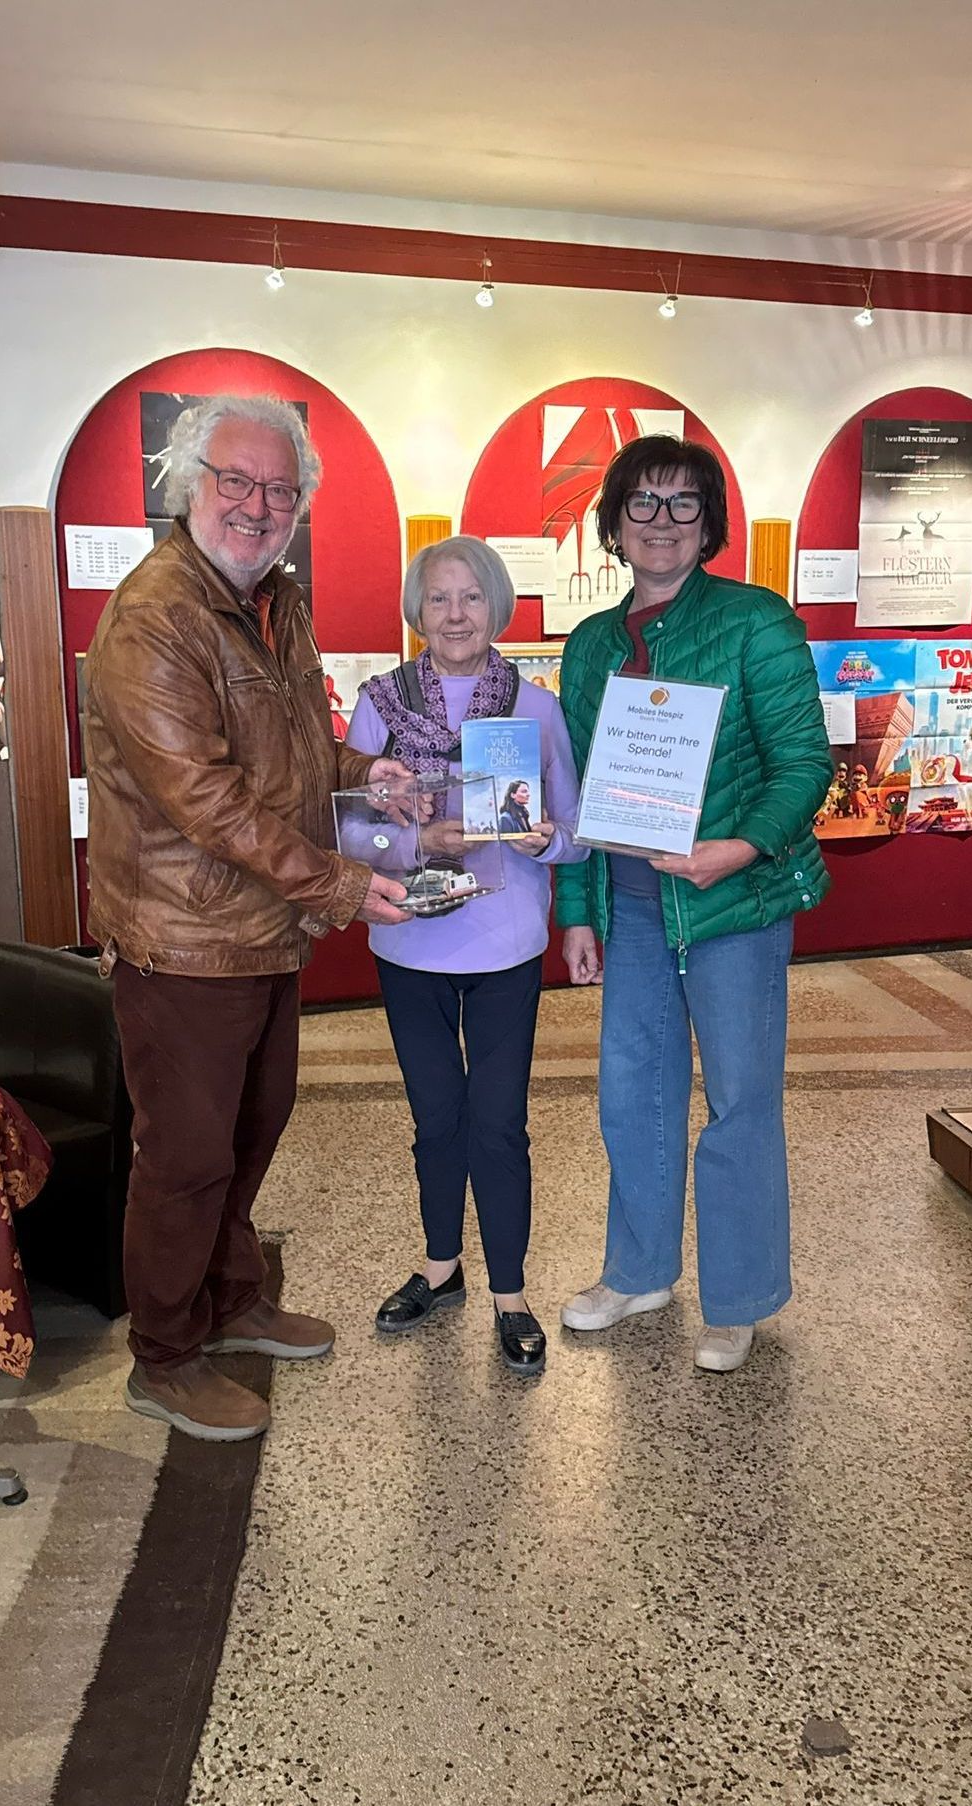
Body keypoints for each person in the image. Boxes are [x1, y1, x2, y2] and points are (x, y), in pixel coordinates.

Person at [84, 393, 409, 1441]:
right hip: (185, 941)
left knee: (250, 1129)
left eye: (281, 488)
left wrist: (369, 772)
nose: (261, 505)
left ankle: (229, 1302)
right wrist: (342, 887)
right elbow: (209, 798)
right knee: (185, 1156)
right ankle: (164, 1355)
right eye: (239, 481)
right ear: (190, 484)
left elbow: (294, 748)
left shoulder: (271, 597)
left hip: (260, 933)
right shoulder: (155, 617)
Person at [557, 435, 833, 1373]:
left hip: (733, 905)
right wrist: (578, 910)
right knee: (632, 1093)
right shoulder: (594, 644)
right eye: (643, 503)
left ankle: (739, 1297)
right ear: (614, 524)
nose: (663, 522)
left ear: (710, 522)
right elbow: (581, 793)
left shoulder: (757, 621)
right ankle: (639, 1272)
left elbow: (804, 765)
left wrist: (741, 848)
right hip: (632, 904)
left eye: (683, 504)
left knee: (740, 1101)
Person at [344, 535, 588, 1375]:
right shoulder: (379, 705)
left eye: (471, 597)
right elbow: (350, 832)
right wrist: (416, 840)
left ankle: (509, 1293)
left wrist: (546, 840)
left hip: (505, 941)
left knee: (499, 1123)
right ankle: (441, 1267)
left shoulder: (535, 705)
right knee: (435, 1118)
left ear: (497, 607)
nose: (455, 614)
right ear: (417, 610)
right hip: (409, 937)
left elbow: (577, 830)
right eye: (439, 598)